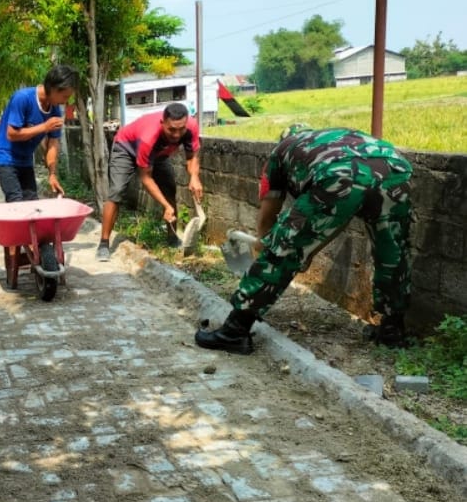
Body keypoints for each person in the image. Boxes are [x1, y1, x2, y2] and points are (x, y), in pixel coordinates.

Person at [195, 124, 414, 355]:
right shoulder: (329, 139)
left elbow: (268, 213)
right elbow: (339, 217)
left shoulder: (281, 151)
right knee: (393, 251)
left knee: (281, 250)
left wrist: (268, 246)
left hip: (338, 173)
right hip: (395, 169)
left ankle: (234, 331)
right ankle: (392, 330)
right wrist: (309, 250)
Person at [97, 102, 203, 261]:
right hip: (126, 149)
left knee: (169, 189)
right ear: (162, 123)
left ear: (186, 123)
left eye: (181, 129)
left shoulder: (191, 127)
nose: (176, 135)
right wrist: (165, 206)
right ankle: (104, 244)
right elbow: (146, 177)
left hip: (158, 154)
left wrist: (194, 176)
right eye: (171, 130)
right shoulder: (149, 137)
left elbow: (192, 155)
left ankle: (172, 238)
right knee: (117, 191)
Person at [0, 64, 78, 203]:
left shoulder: (54, 109)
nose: (65, 101)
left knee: (32, 202)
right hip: (5, 156)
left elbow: (53, 143)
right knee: (16, 202)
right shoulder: (22, 98)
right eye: (65, 96)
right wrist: (44, 127)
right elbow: (11, 134)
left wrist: (52, 174)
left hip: (25, 159)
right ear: (53, 88)